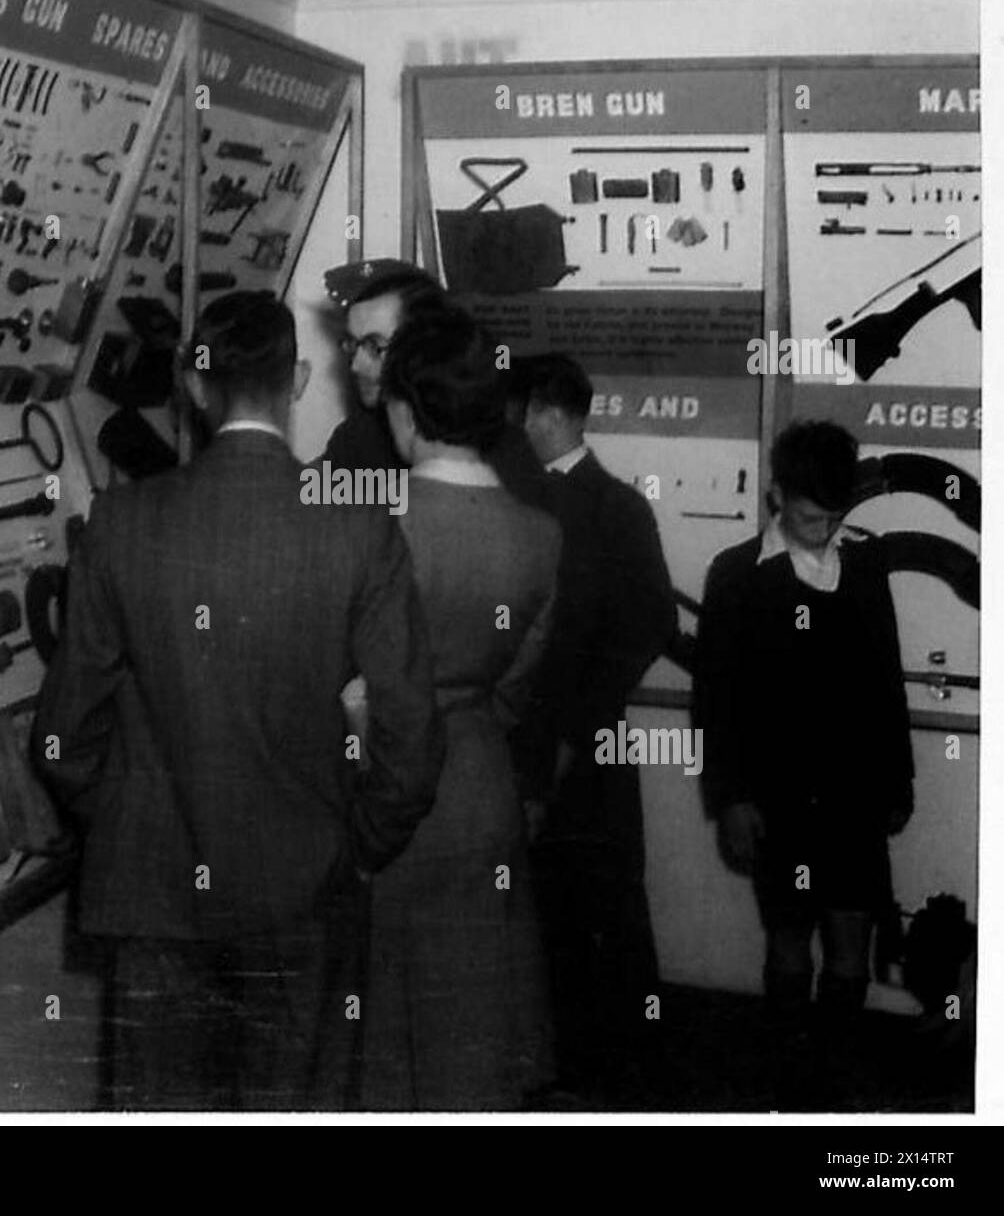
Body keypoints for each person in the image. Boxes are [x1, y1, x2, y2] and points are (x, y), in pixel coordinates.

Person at [33, 289, 444, 1111]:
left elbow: (62, 739)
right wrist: (356, 847)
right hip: (304, 895)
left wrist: (131, 822)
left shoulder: (120, 521)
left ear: (193, 384)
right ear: (297, 382)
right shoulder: (360, 528)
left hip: (153, 901)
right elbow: (409, 742)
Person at [361, 313, 562, 1109]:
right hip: (481, 790)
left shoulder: (373, 522)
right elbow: (517, 686)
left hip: (376, 786)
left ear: (404, 409)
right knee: (470, 1037)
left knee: (381, 1041)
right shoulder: (541, 534)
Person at [692, 419, 914, 1100]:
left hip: (854, 795)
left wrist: (899, 780)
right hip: (776, 799)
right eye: (811, 517)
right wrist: (730, 799)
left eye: (834, 517)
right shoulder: (736, 574)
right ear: (776, 497)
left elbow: (887, 679)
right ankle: (786, 1082)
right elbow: (715, 700)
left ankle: (833, 1082)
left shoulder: (865, 564)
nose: (824, 530)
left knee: (851, 939)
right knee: (788, 939)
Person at [515, 354, 676, 1082]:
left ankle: (625, 1073)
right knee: (542, 912)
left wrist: (578, 729)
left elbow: (650, 623)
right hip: (535, 738)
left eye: (522, 412)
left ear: (546, 415)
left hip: (589, 746)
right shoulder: (527, 496)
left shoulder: (617, 508)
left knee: (607, 906)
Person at [319, 257, 454, 471]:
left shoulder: (485, 449)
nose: (356, 366)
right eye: (353, 344)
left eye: (374, 347)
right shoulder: (355, 441)